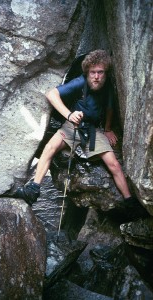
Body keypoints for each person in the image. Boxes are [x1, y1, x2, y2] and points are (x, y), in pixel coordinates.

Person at [11, 50, 134, 207]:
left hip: (93, 130)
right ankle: (33, 190)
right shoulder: (80, 82)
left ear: (105, 72)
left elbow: (109, 108)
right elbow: (51, 94)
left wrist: (108, 129)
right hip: (73, 125)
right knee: (50, 147)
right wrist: (69, 115)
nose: (96, 77)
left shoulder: (107, 85)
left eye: (100, 72)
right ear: (87, 72)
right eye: (93, 72)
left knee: (114, 165)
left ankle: (130, 202)